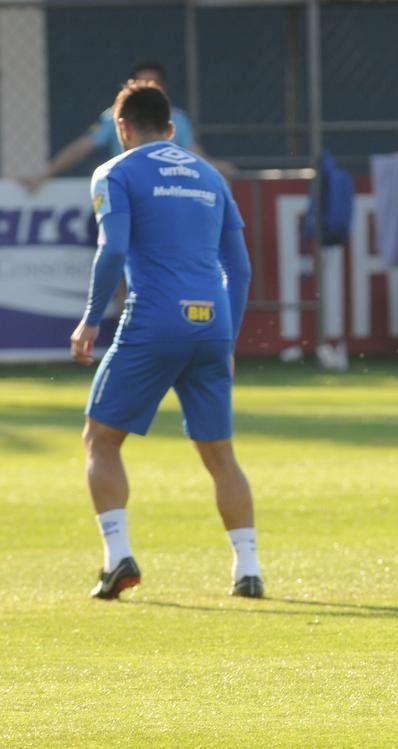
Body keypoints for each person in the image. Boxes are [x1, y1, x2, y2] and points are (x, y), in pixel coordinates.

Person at [70, 79, 262, 599]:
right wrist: (227, 342)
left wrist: (90, 318)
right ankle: (247, 568)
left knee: (101, 439)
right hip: (211, 324)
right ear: (172, 130)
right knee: (219, 453)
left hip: (153, 319)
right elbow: (239, 269)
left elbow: (113, 249)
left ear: (122, 128)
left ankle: (117, 558)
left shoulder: (115, 171)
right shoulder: (210, 176)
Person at [20, 60, 234, 193]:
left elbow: (195, 155)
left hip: (167, 194)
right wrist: (44, 175)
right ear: (124, 127)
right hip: (130, 192)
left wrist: (217, 168)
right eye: (140, 85)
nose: (146, 90)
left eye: (152, 85)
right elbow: (82, 147)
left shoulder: (178, 118)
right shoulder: (114, 116)